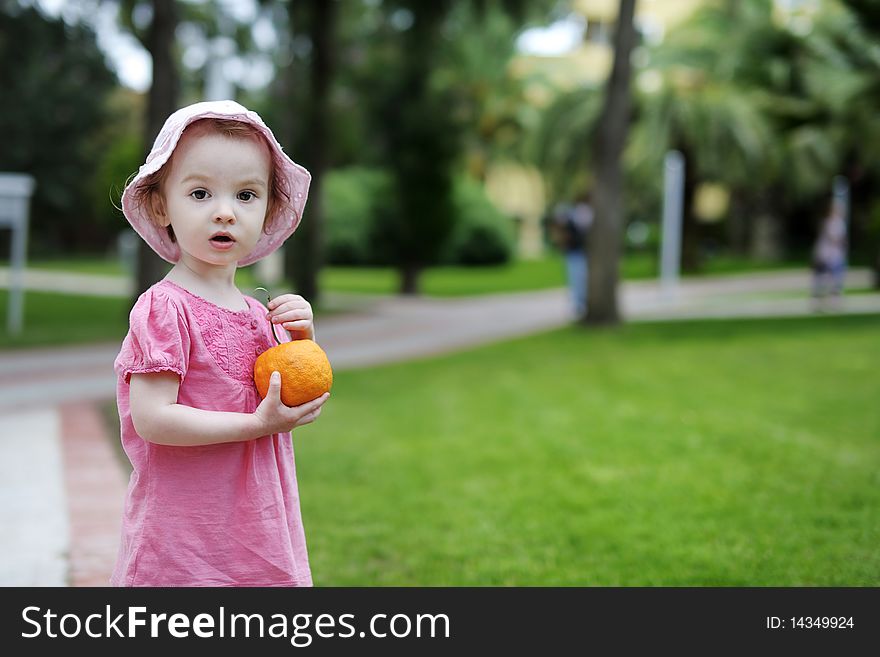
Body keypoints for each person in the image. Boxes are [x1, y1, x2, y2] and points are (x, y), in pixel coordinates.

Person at [111, 100, 329, 586]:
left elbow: (286, 396)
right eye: (201, 192)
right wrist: (255, 423)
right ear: (160, 204)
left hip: (257, 530)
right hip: (185, 537)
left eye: (247, 195)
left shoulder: (260, 314)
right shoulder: (165, 308)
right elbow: (153, 419)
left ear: (270, 207)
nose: (225, 212)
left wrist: (302, 344)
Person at [550, 194, 594, 316]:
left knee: (580, 279)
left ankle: (581, 304)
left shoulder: (578, 215)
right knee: (576, 279)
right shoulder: (573, 217)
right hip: (575, 253)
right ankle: (579, 305)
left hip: (579, 253)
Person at [811, 199, 848, 311]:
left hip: (834, 255)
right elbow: (833, 239)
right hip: (827, 255)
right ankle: (820, 299)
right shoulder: (829, 223)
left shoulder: (838, 223)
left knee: (835, 277)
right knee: (824, 277)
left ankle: (832, 299)